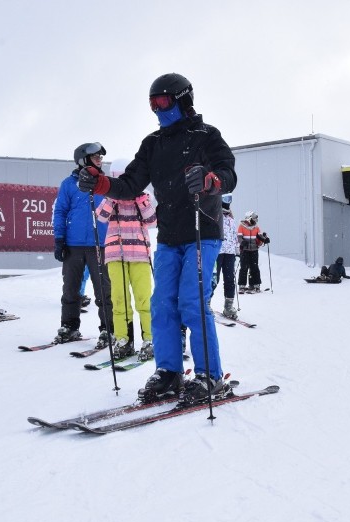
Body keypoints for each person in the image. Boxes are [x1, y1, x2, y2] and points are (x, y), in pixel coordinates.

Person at [77, 72, 237, 405]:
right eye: (152, 105)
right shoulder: (153, 143)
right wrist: (100, 183)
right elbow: (131, 184)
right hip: (169, 236)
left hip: (201, 229)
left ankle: (209, 375)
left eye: (163, 102)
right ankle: (169, 372)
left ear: (183, 100)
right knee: (162, 304)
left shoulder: (207, 136)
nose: (158, 110)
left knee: (191, 302)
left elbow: (228, 173)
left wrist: (211, 180)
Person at [53, 143, 113, 349]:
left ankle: (108, 329)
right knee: (71, 290)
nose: (100, 160)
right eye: (95, 156)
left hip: (100, 245)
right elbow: (60, 211)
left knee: (104, 291)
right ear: (82, 159)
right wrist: (59, 239)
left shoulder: (104, 184)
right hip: (73, 244)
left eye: (100, 157)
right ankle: (69, 326)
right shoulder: (68, 184)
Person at [96, 190, 157, 361]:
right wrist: (112, 197)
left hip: (140, 254)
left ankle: (150, 340)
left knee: (144, 299)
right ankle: (124, 340)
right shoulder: (111, 196)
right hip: (116, 253)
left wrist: (141, 200)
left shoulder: (145, 195)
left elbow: (152, 220)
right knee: (119, 299)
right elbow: (100, 216)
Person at [212, 194, 240, 319]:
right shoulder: (215, 215)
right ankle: (207, 303)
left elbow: (234, 236)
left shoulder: (231, 219)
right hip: (217, 252)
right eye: (225, 200)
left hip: (229, 253)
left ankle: (228, 306)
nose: (227, 203)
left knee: (229, 279)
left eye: (229, 200)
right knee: (214, 279)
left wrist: (237, 249)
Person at [237, 211, 270, 293]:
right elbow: (239, 237)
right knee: (244, 267)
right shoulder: (241, 226)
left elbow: (259, 237)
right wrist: (242, 242)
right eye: (254, 218)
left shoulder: (256, 227)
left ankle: (255, 284)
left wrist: (265, 239)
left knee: (254, 267)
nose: (255, 220)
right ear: (249, 218)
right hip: (245, 250)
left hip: (254, 250)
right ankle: (242, 285)